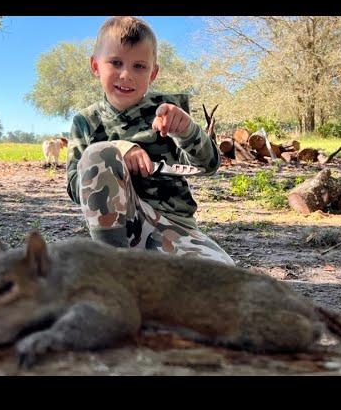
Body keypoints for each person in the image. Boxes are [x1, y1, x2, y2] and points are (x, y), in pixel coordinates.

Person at [66, 16, 234, 265]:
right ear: (95, 66)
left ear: (153, 72)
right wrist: (118, 149)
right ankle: (116, 269)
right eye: (116, 62)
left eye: (139, 66)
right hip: (116, 234)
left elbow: (208, 166)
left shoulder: (169, 110)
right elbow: (74, 187)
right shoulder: (85, 121)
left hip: (174, 228)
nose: (126, 75)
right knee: (98, 153)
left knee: (224, 278)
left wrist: (187, 130)